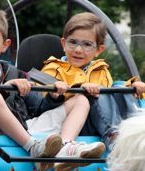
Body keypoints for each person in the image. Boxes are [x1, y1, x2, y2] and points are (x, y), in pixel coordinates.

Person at [0, 8, 105, 171]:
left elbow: (38, 108)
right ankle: (32, 147)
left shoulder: (15, 73)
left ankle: (65, 147)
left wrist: (53, 97)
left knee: (80, 100)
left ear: (5, 45)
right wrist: (6, 89)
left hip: (28, 127)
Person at [41, 12, 145, 150]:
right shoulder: (53, 68)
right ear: (63, 44)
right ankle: (113, 137)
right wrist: (82, 89)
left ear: (99, 50)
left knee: (119, 86)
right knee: (97, 94)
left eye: (87, 44)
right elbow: (41, 103)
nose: (78, 50)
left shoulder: (100, 70)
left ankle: (137, 131)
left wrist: (132, 89)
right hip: (70, 124)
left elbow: (111, 102)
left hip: (100, 122)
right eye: (73, 42)